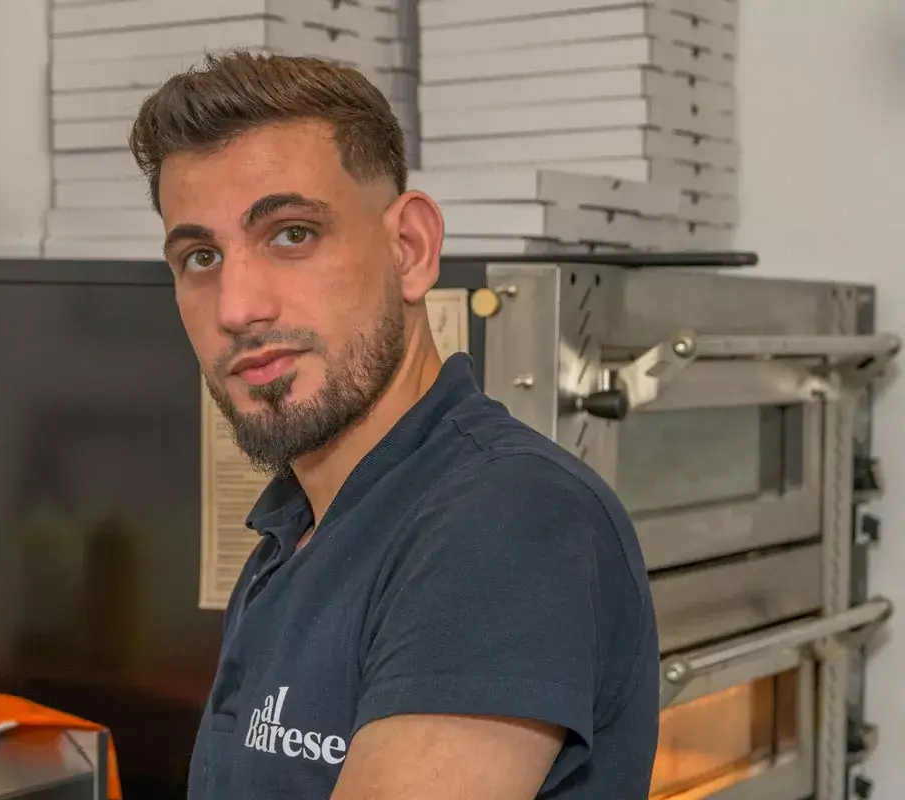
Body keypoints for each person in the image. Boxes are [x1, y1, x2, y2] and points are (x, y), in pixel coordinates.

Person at [128, 51, 660, 800]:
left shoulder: (505, 520)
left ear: (410, 249)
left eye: (291, 234)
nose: (238, 308)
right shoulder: (296, 533)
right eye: (201, 255)